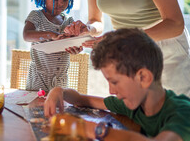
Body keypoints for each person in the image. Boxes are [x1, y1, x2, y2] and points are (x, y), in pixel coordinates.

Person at [44, 28, 190, 140]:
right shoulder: (134, 103)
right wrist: (58, 91)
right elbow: (82, 100)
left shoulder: (183, 112)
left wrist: (94, 129)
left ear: (143, 78)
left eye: (114, 82)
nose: (111, 90)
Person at [23, 0, 80, 92]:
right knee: (36, 110)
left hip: (61, 81)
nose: (61, 3)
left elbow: (73, 43)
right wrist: (51, 35)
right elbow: (26, 35)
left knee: (58, 109)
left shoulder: (69, 22)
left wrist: (76, 47)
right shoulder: (36, 16)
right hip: (39, 80)